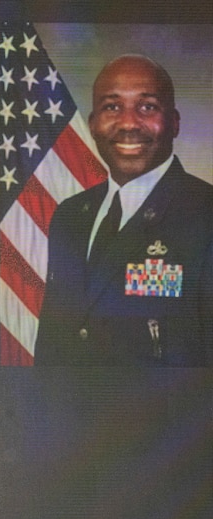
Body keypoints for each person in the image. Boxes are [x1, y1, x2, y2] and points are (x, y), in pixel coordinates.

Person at [35, 54, 213, 366]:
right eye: (112, 107)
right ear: (93, 124)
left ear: (174, 122)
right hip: (69, 413)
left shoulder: (205, 213)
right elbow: (53, 343)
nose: (129, 123)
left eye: (147, 107)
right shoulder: (70, 215)